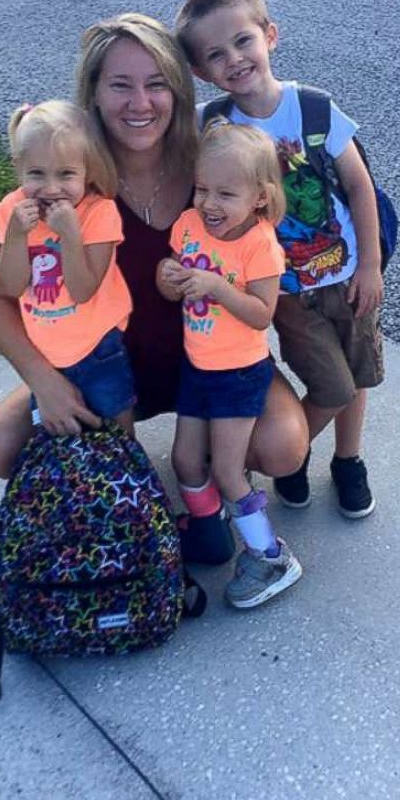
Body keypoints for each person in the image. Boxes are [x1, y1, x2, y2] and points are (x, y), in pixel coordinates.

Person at [0, 13, 308, 560]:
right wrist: (43, 378)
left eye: (157, 84)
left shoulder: (214, 170)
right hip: (100, 368)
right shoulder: (67, 182)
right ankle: (128, 499)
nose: (140, 102)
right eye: (121, 85)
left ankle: (213, 477)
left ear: (178, 92)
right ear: (94, 95)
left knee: (283, 445)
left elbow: (267, 255)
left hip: (212, 362)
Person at [175, 0, 385, 519]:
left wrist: (371, 266)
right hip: (286, 291)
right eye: (215, 55)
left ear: (270, 35)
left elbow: (360, 188)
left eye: (244, 40)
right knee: (330, 382)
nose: (234, 59)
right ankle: (290, 458)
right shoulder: (212, 124)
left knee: (356, 375)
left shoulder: (314, 109)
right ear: (201, 71)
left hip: (348, 276)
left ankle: (348, 459)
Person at [158, 121, 301, 607]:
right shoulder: (190, 226)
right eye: (201, 189)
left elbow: (262, 314)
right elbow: (169, 282)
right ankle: (208, 531)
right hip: (198, 364)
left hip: (239, 373)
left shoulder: (260, 245)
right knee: (183, 459)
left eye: (225, 193)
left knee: (228, 469)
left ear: (260, 197)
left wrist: (219, 289)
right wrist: (168, 275)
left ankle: (270, 555)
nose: (208, 203)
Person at [0, 99, 134, 431]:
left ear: (87, 171)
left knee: (115, 422)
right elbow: (12, 287)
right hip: (46, 352)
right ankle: (75, 483)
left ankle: (130, 476)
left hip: (98, 347)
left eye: (66, 174)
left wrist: (70, 236)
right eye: (37, 174)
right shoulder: (11, 211)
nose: (51, 188)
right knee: (59, 432)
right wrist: (15, 237)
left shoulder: (98, 213)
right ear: (18, 168)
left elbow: (83, 290)